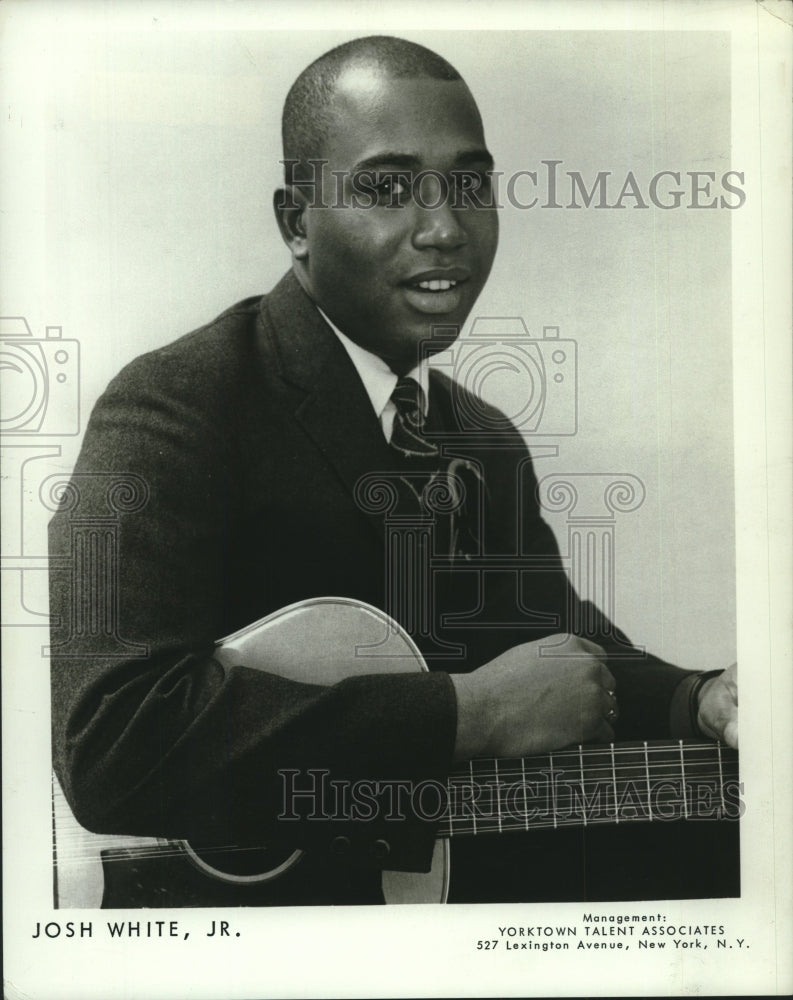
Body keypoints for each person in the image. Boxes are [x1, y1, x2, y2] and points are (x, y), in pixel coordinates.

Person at [49, 35, 738, 907]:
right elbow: (107, 742)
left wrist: (697, 698)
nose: (445, 228)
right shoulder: (178, 402)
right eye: (384, 187)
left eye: (470, 186)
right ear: (296, 221)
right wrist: (469, 714)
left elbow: (561, 651)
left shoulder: (478, 436)